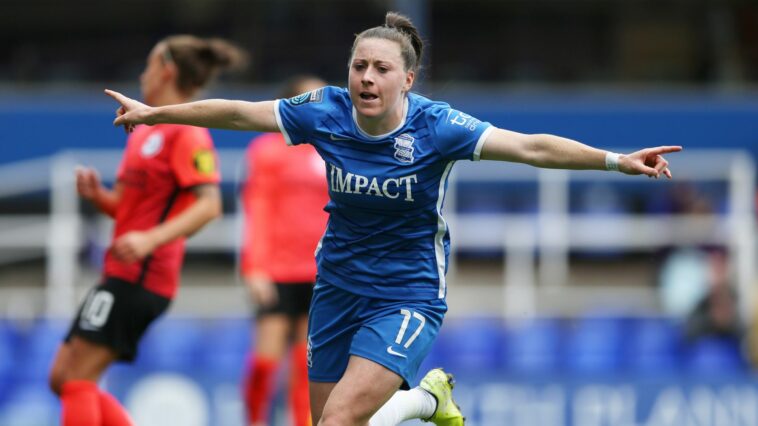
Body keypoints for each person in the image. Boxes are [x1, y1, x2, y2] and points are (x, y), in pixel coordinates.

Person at [105, 12, 681, 426]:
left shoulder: (439, 128)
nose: (366, 78)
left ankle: (423, 399)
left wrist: (617, 161)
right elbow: (239, 112)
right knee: (331, 420)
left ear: (407, 79)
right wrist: (157, 114)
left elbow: (531, 147)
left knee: (336, 423)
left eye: (381, 68)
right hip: (335, 286)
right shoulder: (325, 111)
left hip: (406, 293)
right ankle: (425, 401)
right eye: (359, 66)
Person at [49, 35, 246, 425]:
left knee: (75, 379)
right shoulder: (144, 130)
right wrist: (97, 197)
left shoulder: (187, 131)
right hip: (121, 270)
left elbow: (209, 205)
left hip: (143, 275)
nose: (141, 74)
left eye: (147, 65)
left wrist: (149, 239)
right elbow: (124, 206)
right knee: (61, 377)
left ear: (166, 70)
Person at [240, 75, 330, 426]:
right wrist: (254, 267)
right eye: (315, 96)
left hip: (320, 271)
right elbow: (256, 211)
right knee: (266, 360)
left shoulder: (332, 146)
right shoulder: (267, 150)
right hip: (276, 270)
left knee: (305, 365)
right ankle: (254, 420)